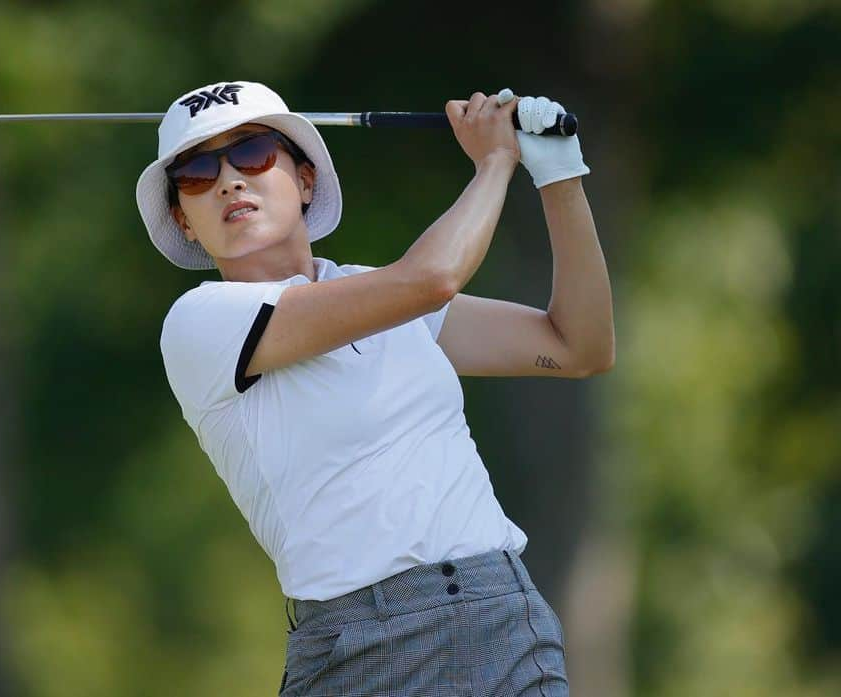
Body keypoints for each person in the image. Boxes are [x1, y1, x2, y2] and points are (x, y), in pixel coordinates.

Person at [136, 79, 613, 696]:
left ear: (306, 181)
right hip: (359, 647)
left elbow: (578, 347)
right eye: (198, 173)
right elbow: (432, 277)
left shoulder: (376, 290)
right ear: (184, 220)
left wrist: (559, 175)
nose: (229, 180)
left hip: (504, 613)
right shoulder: (201, 323)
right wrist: (496, 161)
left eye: (252, 154)